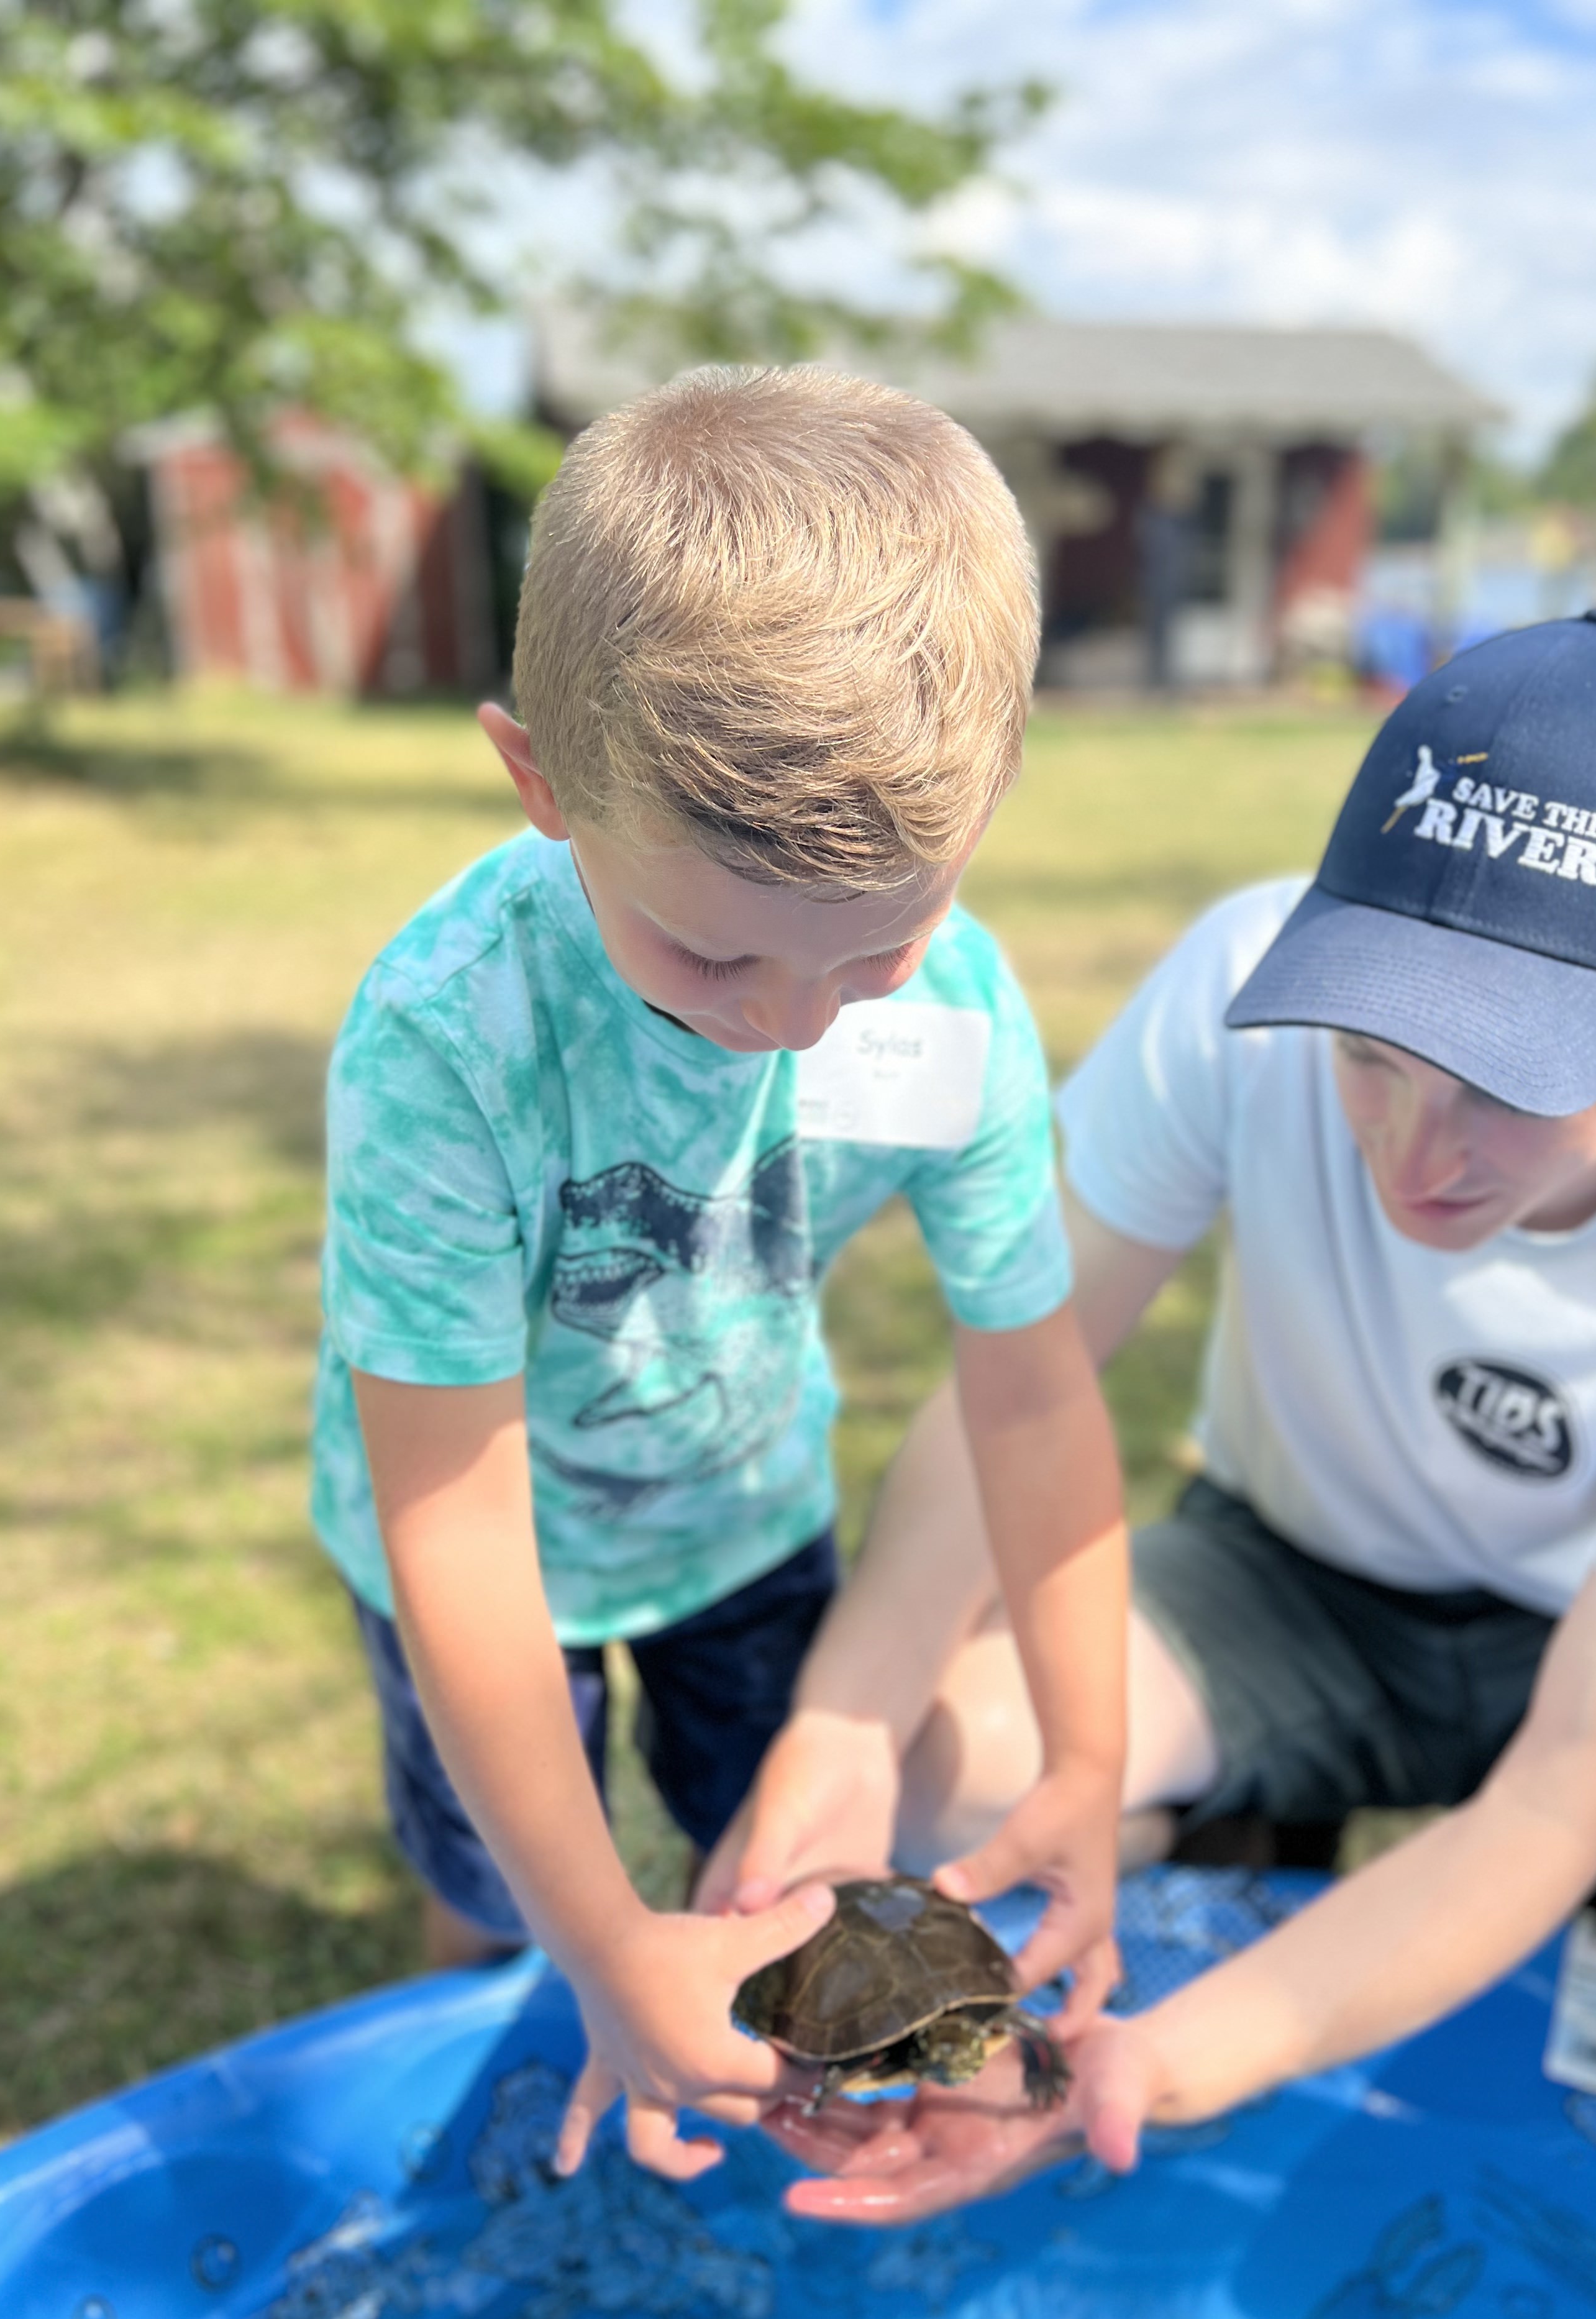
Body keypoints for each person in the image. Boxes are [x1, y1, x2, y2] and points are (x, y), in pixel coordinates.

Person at [757, 609, 1596, 2225]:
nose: (1416, 1150)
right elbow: (1016, 1380)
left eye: (1511, 1081)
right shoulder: (1236, 982)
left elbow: (1563, 1787)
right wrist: (843, 1727)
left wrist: (1149, 2069)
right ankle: (1212, 1840)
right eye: (1371, 1050)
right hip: (1291, 1578)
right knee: (938, 1784)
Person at [309, 368, 1128, 2185]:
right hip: (468, 1539)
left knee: (769, 1883)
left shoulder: (969, 1011)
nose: (787, 1021)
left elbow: (1034, 1387)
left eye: (876, 951)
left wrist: (1086, 1754)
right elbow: (455, 1519)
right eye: (708, 952)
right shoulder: (450, 1037)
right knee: (493, 1876)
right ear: (541, 780)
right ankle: (481, 2033)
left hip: (744, 1518)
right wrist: (597, 1951)